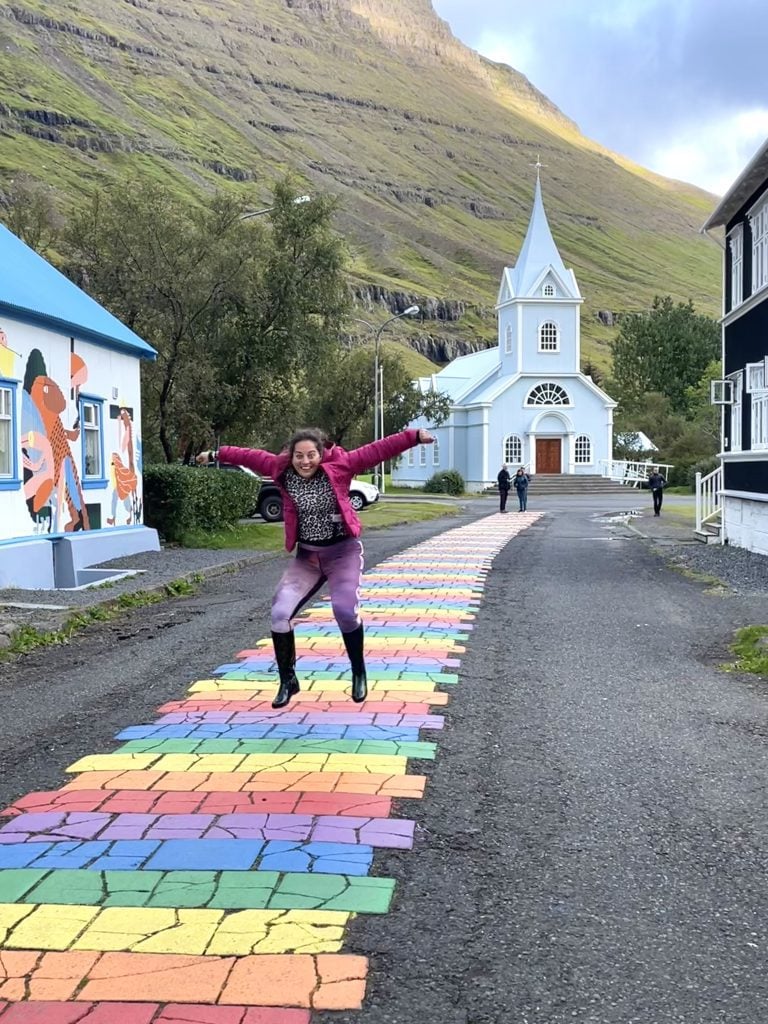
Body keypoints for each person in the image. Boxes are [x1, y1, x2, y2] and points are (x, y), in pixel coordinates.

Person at [197, 426, 435, 708]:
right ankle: (288, 680)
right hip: (308, 557)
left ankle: (358, 671)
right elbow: (247, 456)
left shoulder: (341, 466)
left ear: (321, 454)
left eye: (311, 455)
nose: (305, 462)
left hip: (342, 552)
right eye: (299, 456)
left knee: (344, 611)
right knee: (279, 613)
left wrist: (413, 436)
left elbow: (377, 450)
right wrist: (215, 454)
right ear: (291, 455)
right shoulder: (280, 468)